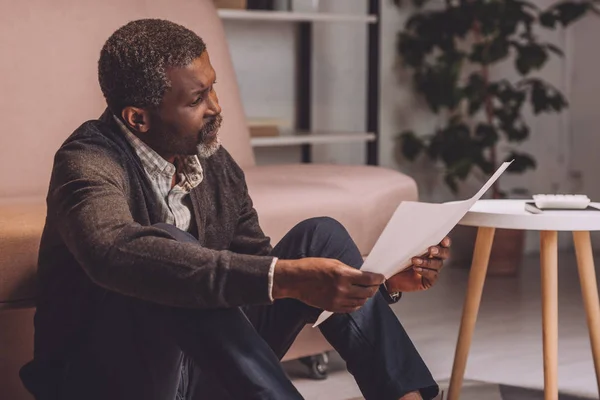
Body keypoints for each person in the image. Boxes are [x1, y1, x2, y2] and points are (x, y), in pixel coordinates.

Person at [19, 19, 451, 400]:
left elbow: (252, 266)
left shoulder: (211, 161)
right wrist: (282, 276)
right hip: (113, 382)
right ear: (138, 118)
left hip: (205, 374)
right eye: (196, 99)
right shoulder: (87, 160)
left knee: (323, 236)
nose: (217, 108)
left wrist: (377, 283)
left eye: (213, 88)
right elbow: (110, 250)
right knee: (171, 248)